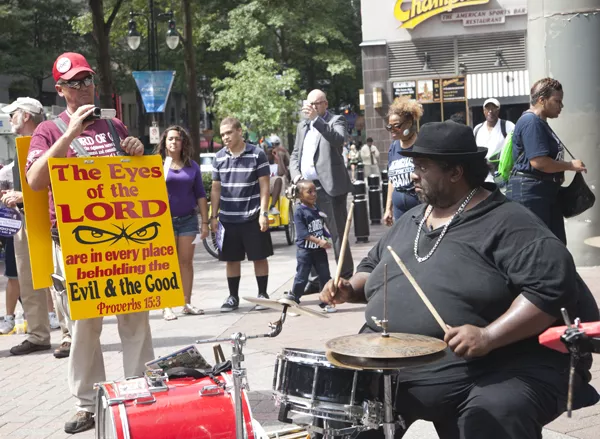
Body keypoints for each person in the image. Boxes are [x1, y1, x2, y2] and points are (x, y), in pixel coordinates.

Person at [320, 120, 599, 439]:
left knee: (494, 412)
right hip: (400, 365)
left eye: (422, 166)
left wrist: (489, 336)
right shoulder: (412, 220)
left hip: (498, 366)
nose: (413, 174)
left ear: (455, 172)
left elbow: (549, 291)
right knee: (342, 409)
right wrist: (348, 289)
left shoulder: (511, 223)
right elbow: (372, 269)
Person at [26, 52, 154, 434]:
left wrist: (136, 152)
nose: (83, 89)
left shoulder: (114, 125)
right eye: (74, 83)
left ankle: (138, 391)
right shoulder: (49, 130)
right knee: (85, 326)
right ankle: (88, 402)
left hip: (122, 241)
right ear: (61, 89)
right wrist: (68, 135)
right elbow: (34, 180)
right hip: (75, 243)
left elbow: (131, 180)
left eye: (87, 81)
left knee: (135, 316)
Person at [0, 98, 66, 356]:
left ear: (26, 116)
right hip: (22, 220)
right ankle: (38, 334)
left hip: (47, 219)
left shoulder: (50, 139)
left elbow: (53, 183)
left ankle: (68, 334)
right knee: (28, 279)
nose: (10, 118)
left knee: (55, 279)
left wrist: (21, 196)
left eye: (13, 114)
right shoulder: (20, 147)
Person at [505, 78, 586, 244]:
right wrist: (570, 166)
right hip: (531, 194)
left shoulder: (540, 123)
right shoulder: (531, 122)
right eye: (557, 101)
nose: (561, 106)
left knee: (553, 246)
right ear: (541, 100)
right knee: (538, 247)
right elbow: (539, 162)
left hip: (543, 193)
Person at [290, 90, 354, 293]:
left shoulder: (336, 120)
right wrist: (296, 176)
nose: (310, 108)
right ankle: (316, 279)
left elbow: (338, 140)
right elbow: (295, 154)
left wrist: (317, 120)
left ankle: (345, 278)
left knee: (336, 234)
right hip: (307, 188)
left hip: (329, 187)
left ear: (325, 104)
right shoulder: (302, 126)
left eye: (315, 104)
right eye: (308, 104)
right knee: (311, 235)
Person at [211, 117, 273, 312]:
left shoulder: (257, 154)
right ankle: (233, 297)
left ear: (239, 131)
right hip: (228, 218)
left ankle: (262, 294)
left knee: (259, 256)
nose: (225, 137)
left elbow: (265, 185)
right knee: (231, 259)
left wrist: (264, 212)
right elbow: (215, 189)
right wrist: (214, 216)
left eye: (228, 133)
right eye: (222, 134)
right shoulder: (219, 157)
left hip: (253, 215)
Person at [154, 126, 209, 320]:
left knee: (186, 262)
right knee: (166, 264)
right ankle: (166, 305)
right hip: (163, 221)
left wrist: (205, 222)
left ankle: (186, 302)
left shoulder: (191, 166)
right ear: (164, 142)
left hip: (188, 219)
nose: (174, 142)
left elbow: (201, 194)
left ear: (183, 142)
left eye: (177, 139)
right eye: (170, 139)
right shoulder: (158, 164)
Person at [285, 180, 336, 313]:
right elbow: (303, 234)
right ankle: (293, 300)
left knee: (325, 275)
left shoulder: (316, 209)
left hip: (319, 251)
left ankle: (325, 302)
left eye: (315, 191)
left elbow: (320, 227)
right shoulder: (299, 211)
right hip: (305, 251)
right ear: (300, 195)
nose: (314, 194)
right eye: (309, 192)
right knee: (302, 276)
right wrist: (319, 242)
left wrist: (327, 237)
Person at [383, 97, 423, 225]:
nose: (392, 130)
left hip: (419, 205)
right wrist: (388, 208)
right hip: (399, 209)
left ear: (409, 123)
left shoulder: (421, 144)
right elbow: (391, 180)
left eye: (397, 126)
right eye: (389, 126)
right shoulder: (393, 147)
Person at [474, 98, 515, 164]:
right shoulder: (477, 129)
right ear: (484, 111)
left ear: (498, 110)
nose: (490, 111)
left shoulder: (508, 126)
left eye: (493, 108)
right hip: (481, 171)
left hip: (500, 171)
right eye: (488, 108)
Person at [267, 134, 290, 215]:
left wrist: (279, 157)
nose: (274, 148)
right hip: (264, 185)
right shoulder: (262, 158)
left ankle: (274, 207)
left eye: (275, 145)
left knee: (281, 179)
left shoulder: (280, 153)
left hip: (276, 184)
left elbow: (281, 173)